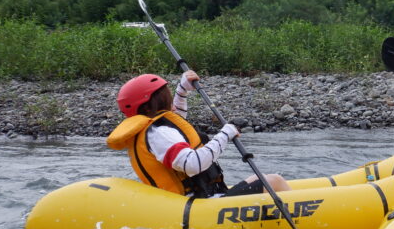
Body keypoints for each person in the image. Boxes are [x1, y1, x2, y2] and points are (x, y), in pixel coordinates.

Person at [108, 70, 291, 197]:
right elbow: (192, 165)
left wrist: (182, 90)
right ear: (154, 101)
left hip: (200, 198)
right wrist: (224, 135)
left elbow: (175, 124)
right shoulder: (158, 133)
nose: (169, 94)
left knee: (270, 181)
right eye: (166, 92)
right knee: (274, 181)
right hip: (198, 204)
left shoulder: (155, 130)